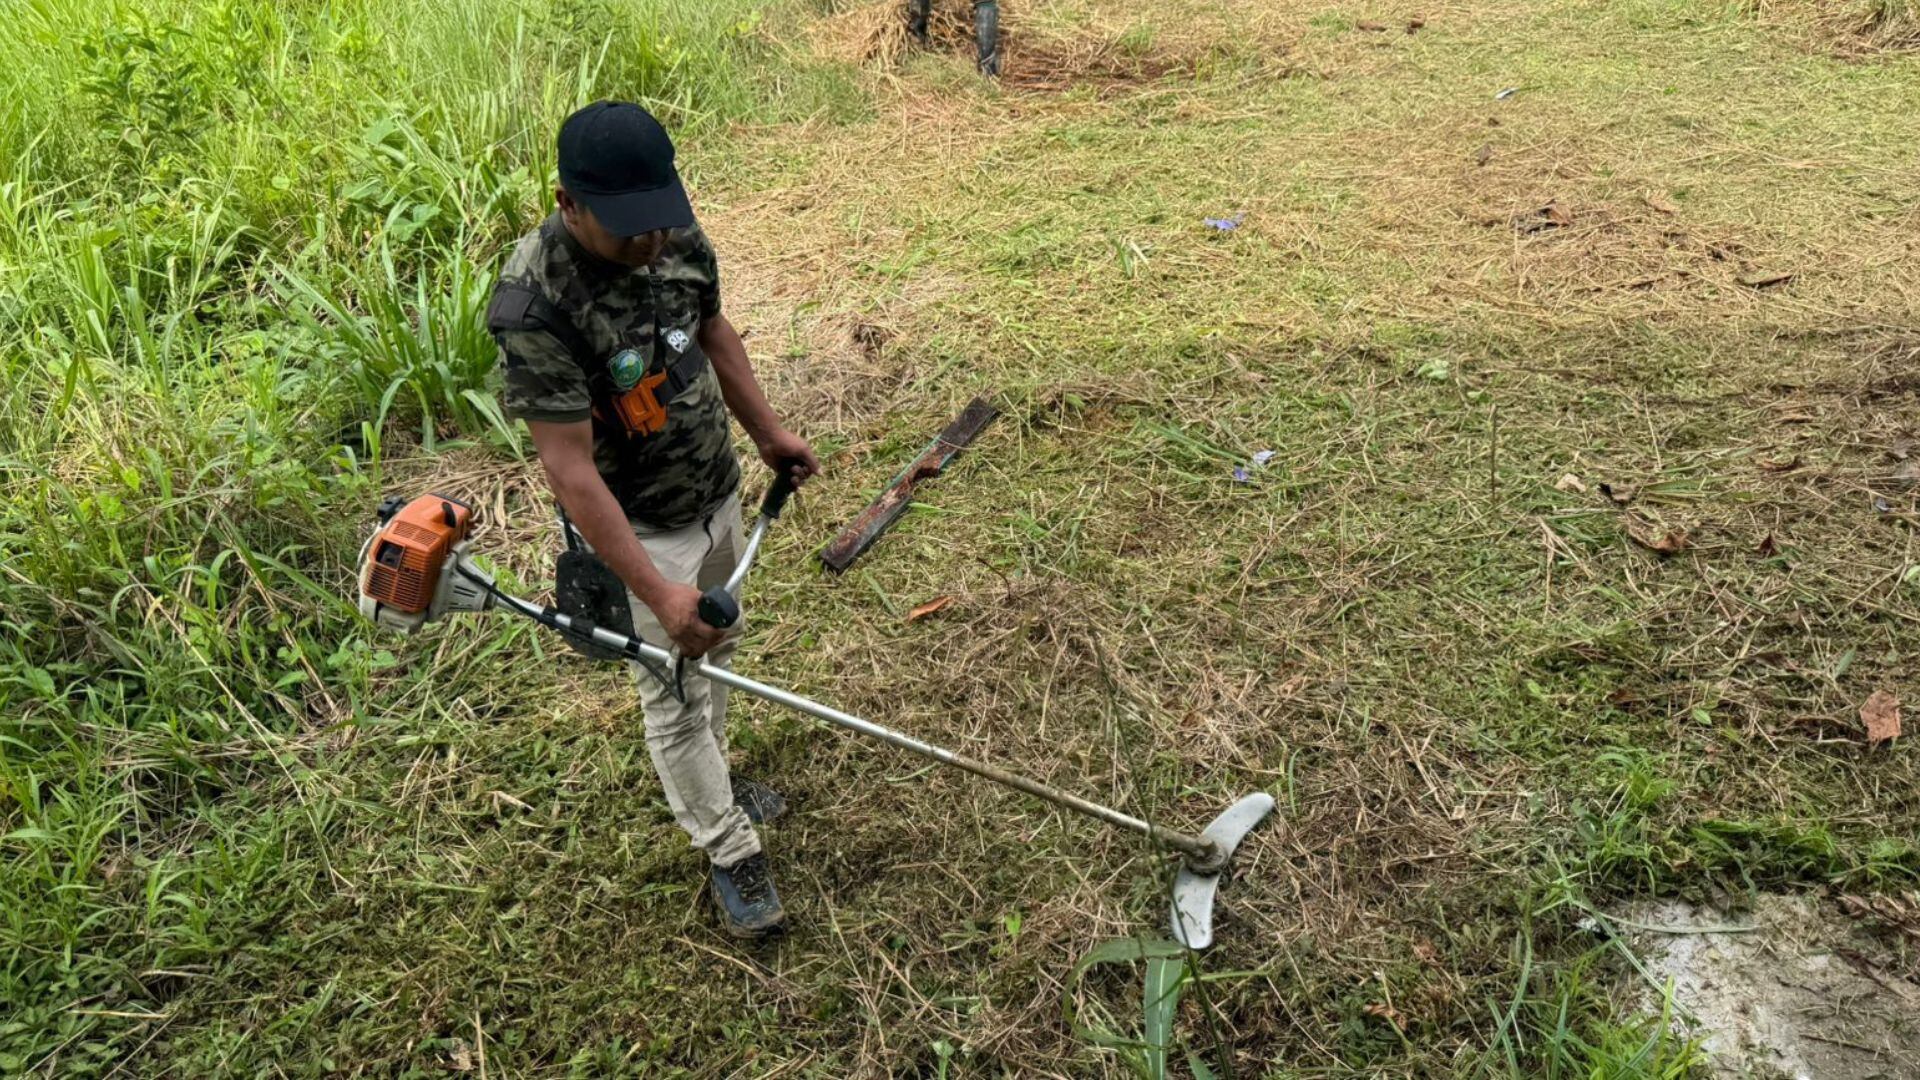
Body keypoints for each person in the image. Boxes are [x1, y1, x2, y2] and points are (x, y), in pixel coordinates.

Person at [485, 100, 819, 939]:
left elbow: (711, 330)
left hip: (715, 489)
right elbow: (569, 469)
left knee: (719, 644)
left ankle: (716, 782)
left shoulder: (672, 233)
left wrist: (768, 434)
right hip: (640, 530)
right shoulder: (536, 303)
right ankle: (726, 846)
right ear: (568, 203)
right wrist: (655, 590)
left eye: (660, 218)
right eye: (629, 227)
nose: (652, 240)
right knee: (672, 688)